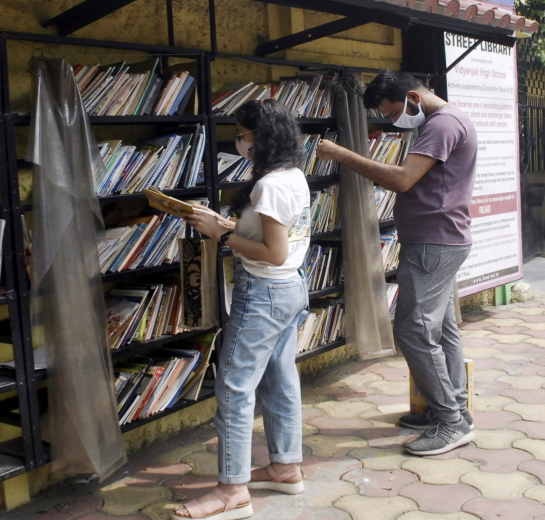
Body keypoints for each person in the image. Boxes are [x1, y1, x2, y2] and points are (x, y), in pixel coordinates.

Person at [316, 70, 477, 456]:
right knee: (443, 330)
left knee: (413, 331)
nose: (392, 122)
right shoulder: (450, 120)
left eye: (391, 113)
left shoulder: (442, 124)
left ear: (412, 97)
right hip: (439, 239)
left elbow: (404, 179)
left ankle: (451, 422)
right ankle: (455, 411)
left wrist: (341, 154)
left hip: (433, 242)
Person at [171, 99, 311, 520]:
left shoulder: (268, 185)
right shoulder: (292, 175)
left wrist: (220, 236)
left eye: (242, 133)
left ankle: (232, 491)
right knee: (279, 377)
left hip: (264, 293)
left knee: (234, 386)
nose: (238, 141)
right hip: (291, 289)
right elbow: (278, 237)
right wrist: (230, 225)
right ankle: (285, 467)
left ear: (260, 137)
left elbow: (272, 252)